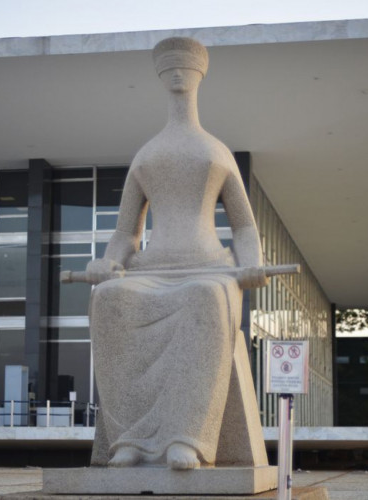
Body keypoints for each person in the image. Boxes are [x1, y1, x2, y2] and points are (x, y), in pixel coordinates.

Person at [85, 37, 268, 470]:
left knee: (204, 297)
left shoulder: (216, 150)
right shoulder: (146, 155)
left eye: (185, 68)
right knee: (108, 300)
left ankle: (186, 439)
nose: (178, 75)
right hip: (155, 268)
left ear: (200, 75)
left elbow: (243, 225)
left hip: (210, 269)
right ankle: (128, 440)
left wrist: (252, 263)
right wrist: (108, 262)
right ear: (160, 78)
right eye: (169, 69)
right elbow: (126, 235)